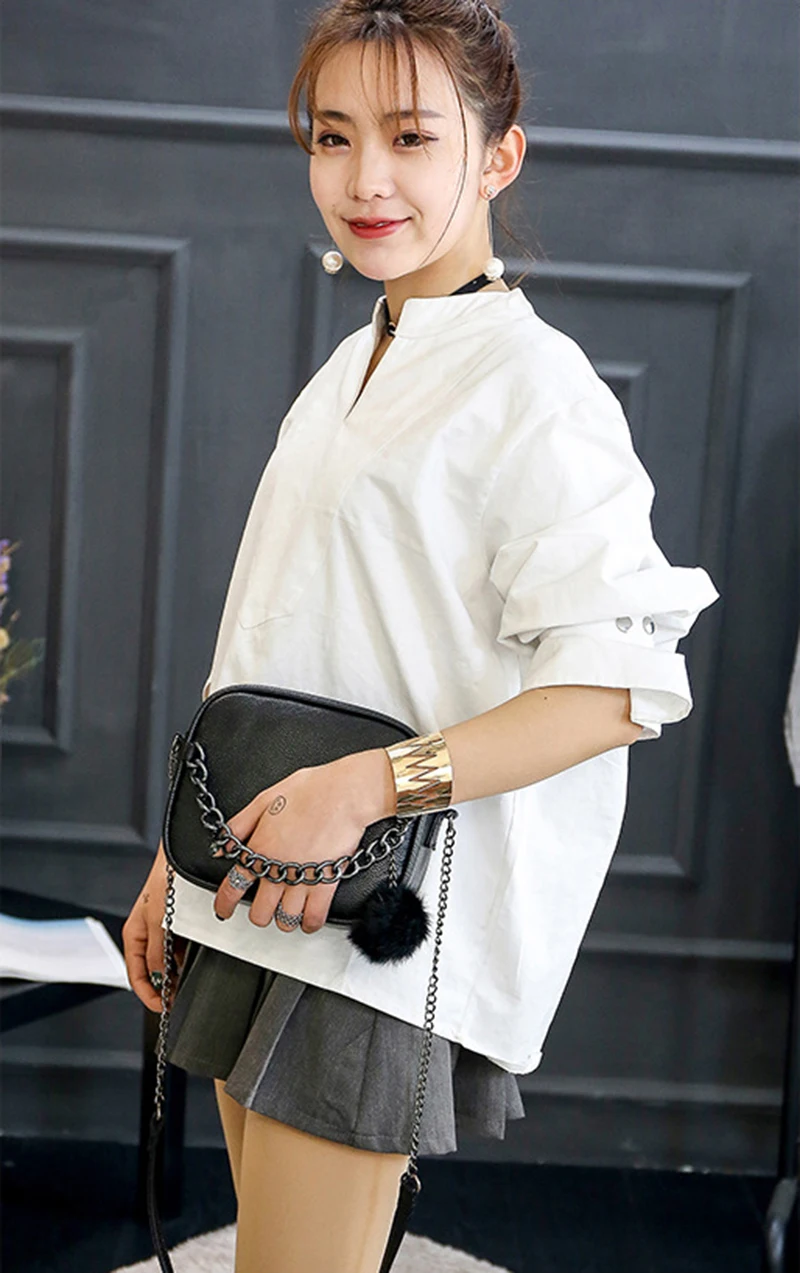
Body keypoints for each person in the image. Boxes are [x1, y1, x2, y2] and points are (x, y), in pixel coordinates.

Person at [122, 2, 720, 1270]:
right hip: (251, 882)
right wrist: (177, 859)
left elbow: (612, 689)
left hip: (373, 914)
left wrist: (365, 786)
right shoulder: (350, 366)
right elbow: (273, 645)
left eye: (409, 136)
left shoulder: (536, 391)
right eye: (332, 137)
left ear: (497, 155)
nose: (364, 181)